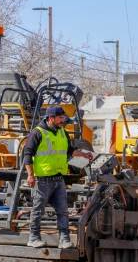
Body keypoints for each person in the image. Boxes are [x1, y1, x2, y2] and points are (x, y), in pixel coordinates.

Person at [21, 106, 92, 249]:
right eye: (60, 118)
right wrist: (30, 175)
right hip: (42, 180)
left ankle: (64, 240)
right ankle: (33, 238)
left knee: (63, 210)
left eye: (63, 117)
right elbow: (27, 155)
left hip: (59, 179)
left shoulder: (62, 132)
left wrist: (84, 154)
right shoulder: (37, 133)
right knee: (38, 210)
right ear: (50, 118)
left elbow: (70, 151)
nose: (63, 120)